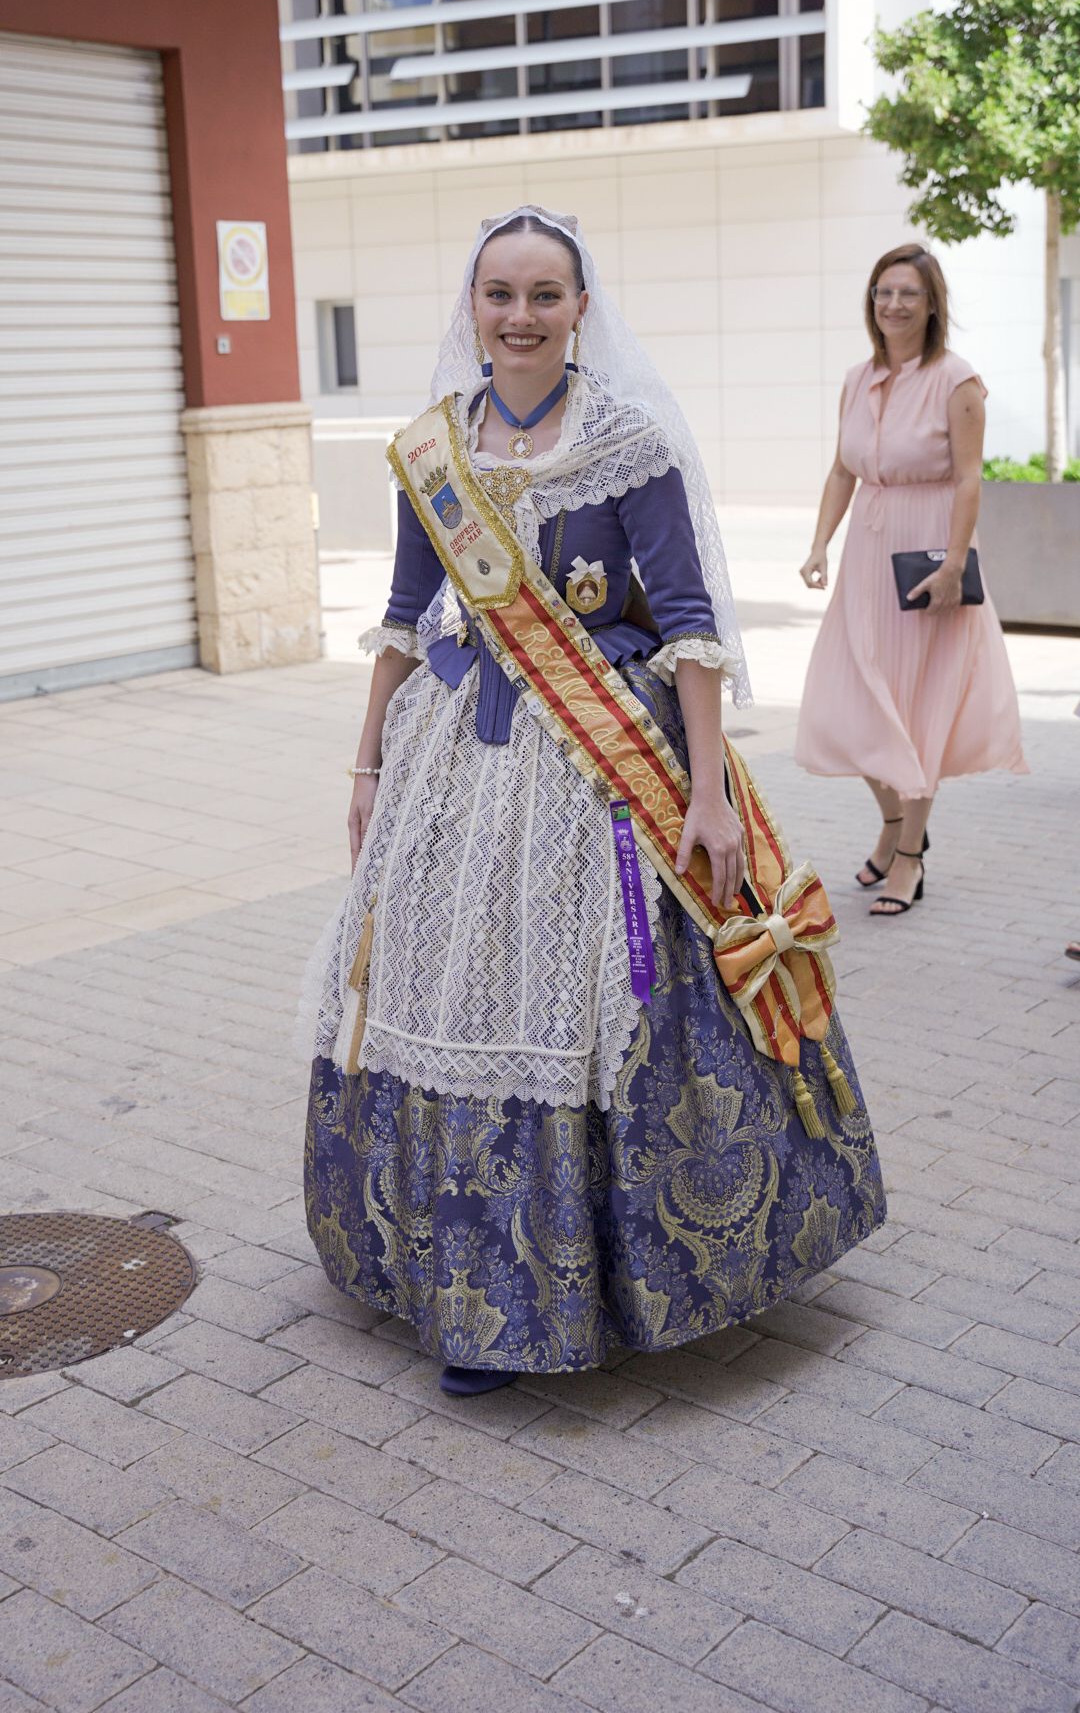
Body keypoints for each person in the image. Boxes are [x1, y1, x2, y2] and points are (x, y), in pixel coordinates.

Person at [299, 205, 885, 1394]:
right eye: (499, 294)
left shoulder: (631, 444)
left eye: (544, 294)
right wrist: (366, 763)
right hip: (451, 768)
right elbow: (408, 620)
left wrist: (709, 795)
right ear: (473, 306)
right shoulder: (433, 452)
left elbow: (688, 628)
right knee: (440, 987)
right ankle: (461, 1281)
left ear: (581, 308)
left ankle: (587, 1288)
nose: (520, 316)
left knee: (583, 1001)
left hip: (596, 774)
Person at [796, 243, 1026, 916]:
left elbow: (967, 479)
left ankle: (910, 858)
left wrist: (955, 564)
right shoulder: (856, 377)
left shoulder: (957, 380)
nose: (893, 304)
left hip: (928, 558)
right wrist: (819, 545)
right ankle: (895, 824)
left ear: (932, 305)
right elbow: (843, 469)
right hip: (868, 555)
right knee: (852, 705)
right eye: (883, 292)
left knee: (919, 710)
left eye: (907, 294)